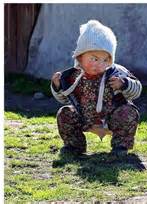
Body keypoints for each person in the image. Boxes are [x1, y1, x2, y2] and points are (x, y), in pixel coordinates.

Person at [51, 20, 142, 156]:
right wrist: (57, 86)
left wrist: (124, 84)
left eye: (105, 60)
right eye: (94, 59)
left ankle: (120, 147)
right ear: (80, 57)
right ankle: (74, 146)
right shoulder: (73, 76)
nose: (100, 64)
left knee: (128, 112)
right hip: (85, 117)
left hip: (112, 117)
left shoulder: (117, 73)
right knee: (64, 113)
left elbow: (137, 90)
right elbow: (64, 98)